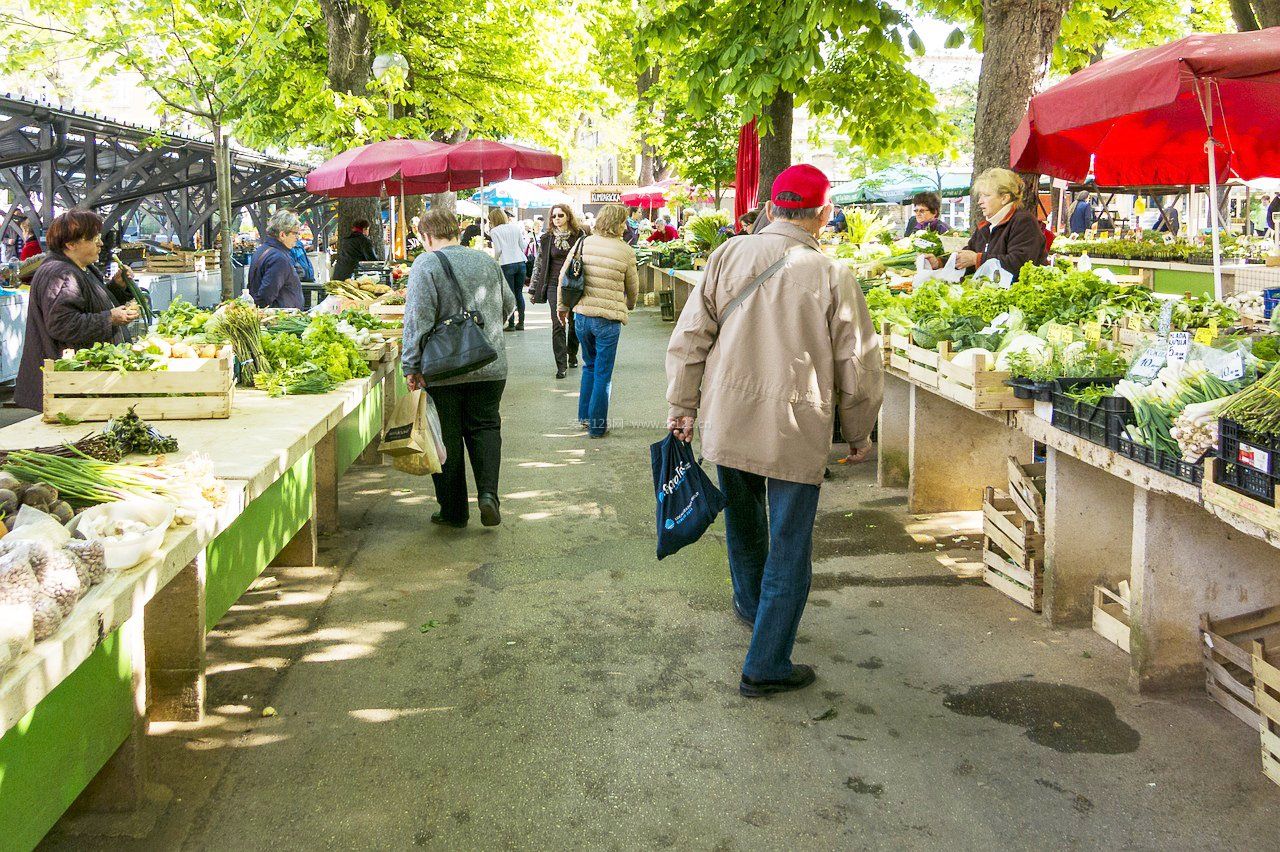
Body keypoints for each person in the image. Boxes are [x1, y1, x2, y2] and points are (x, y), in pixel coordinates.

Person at [665, 164, 883, 698]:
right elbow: (858, 362)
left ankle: (750, 606)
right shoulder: (833, 274)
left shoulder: (727, 254)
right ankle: (766, 662)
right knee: (790, 545)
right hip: (794, 425)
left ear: (769, 208)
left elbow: (691, 335)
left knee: (743, 523)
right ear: (824, 215)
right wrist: (858, 431)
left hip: (729, 416)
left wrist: (682, 404)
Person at [402, 209, 516, 529]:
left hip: (444, 368)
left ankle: (453, 511)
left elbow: (418, 320)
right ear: (456, 230)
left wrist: (410, 364)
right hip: (490, 364)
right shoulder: (486, 261)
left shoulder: (426, 264)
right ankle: (489, 496)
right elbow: (508, 305)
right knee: (485, 428)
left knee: (446, 438)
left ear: (426, 236)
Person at [15, 210, 139, 411]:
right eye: (93, 239)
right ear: (70, 244)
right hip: (67, 385)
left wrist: (117, 286)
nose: (100, 243)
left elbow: (89, 303)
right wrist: (109, 318)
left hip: (78, 383)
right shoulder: (61, 274)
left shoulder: (80, 268)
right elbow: (63, 325)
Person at [558, 203, 637, 439]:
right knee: (603, 372)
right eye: (623, 222)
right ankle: (597, 426)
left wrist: (563, 307)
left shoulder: (583, 243)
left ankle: (584, 417)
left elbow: (565, 275)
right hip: (608, 320)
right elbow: (632, 287)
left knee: (589, 367)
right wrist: (629, 305)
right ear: (617, 224)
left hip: (582, 316)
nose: (625, 226)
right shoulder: (625, 251)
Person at [925, 168, 1048, 282]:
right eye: (980, 196)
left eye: (986, 195)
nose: (980, 201)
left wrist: (976, 259)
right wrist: (939, 262)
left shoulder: (1024, 222)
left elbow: (1020, 263)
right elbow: (968, 255)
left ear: (1004, 198)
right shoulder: (987, 226)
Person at [530, 203, 585, 379]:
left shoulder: (579, 236)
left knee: (574, 322)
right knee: (557, 323)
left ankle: (572, 353)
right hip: (554, 285)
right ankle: (561, 365)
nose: (556, 219)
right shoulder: (547, 238)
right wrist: (533, 288)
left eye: (560, 215)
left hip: (574, 284)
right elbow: (539, 264)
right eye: (554, 216)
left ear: (568, 216)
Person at [248, 209, 306, 309]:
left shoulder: (263, 249)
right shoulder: (279, 258)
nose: (297, 237)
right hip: (279, 318)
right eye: (295, 233)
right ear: (282, 235)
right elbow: (266, 295)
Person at [488, 208, 529, 331]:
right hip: (520, 262)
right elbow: (522, 245)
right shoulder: (515, 228)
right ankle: (521, 322)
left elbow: (498, 250)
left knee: (509, 295)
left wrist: (494, 260)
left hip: (506, 263)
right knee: (519, 293)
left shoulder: (494, 231)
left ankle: (511, 324)